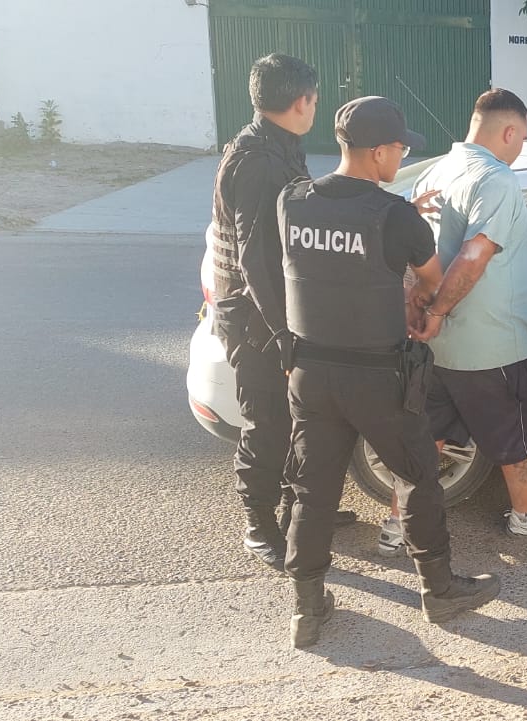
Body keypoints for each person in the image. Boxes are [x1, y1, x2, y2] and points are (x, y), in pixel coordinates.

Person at [277, 96, 500, 648]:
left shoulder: (294, 201)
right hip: (376, 377)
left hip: (310, 371)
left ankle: (307, 609)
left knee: (314, 489)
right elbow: (429, 279)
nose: (402, 155)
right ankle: (440, 591)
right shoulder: (395, 216)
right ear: (378, 151)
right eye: (399, 148)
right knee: (419, 474)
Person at [376, 88, 527, 554]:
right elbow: (474, 254)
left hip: (433, 344)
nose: (521, 147)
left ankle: (397, 525)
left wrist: (419, 305)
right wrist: (442, 310)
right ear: (509, 131)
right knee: (516, 434)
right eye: (523, 138)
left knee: (427, 434)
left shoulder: (435, 172)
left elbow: (414, 251)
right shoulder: (497, 180)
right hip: (491, 344)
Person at [209, 53, 353, 572]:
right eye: (315, 99)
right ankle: (258, 525)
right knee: (266, 421)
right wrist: (281, 333)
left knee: (298, 417)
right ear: (301, 102)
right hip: (257, 318)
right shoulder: (258, 161)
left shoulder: (278, 147)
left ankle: (300, 510)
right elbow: (254, 259)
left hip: (275, 313)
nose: (315, 107)